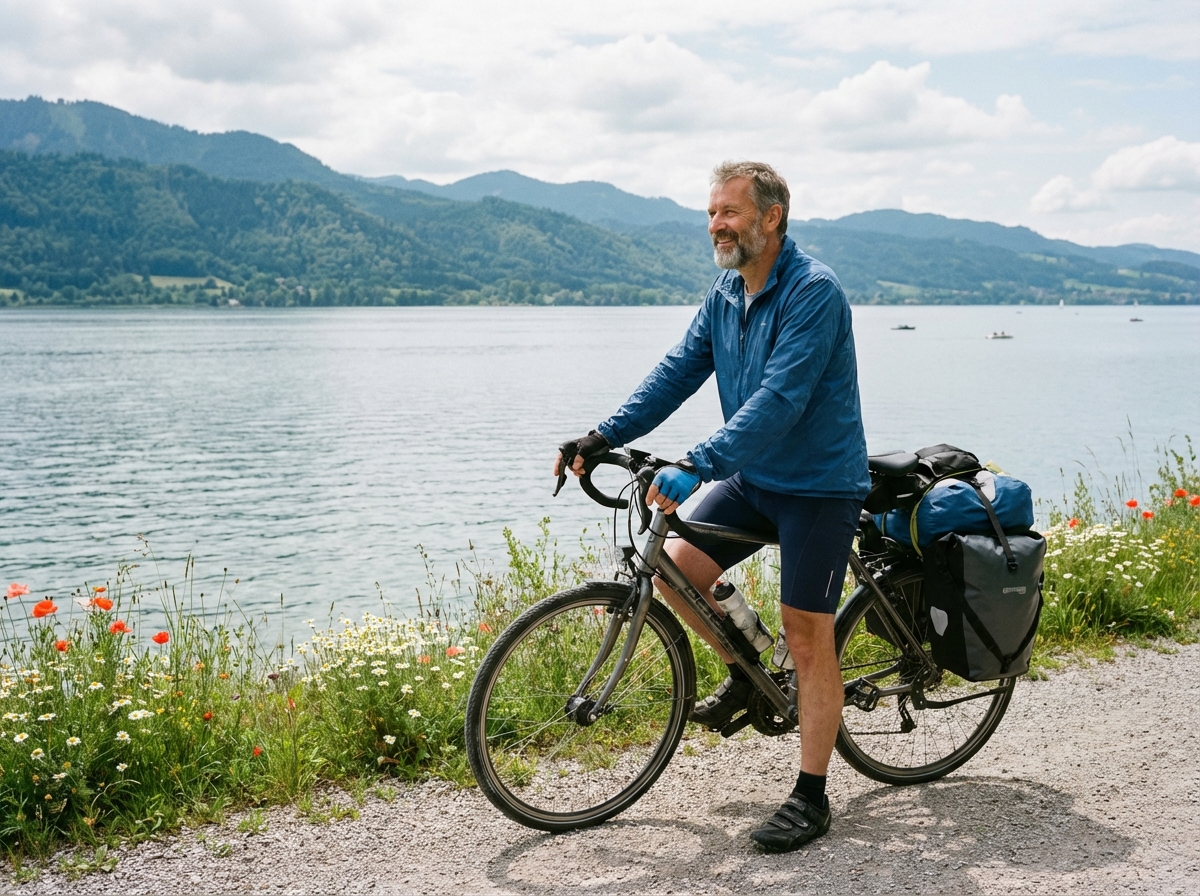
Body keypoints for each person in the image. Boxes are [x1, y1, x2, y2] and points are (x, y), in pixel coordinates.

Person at [554, 161, 870, 853]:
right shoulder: (726, 293)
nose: (716, 225)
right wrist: (605, 434)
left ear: (771, 218)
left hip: (819, 486)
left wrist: (698, 462)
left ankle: (812, 795)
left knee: (807, 631)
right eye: (711, 213)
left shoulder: (814, 292)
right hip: (758, 478)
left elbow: (781, 401)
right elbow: (677, 370)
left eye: (728, 212)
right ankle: (749, 669)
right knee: (671, 563)